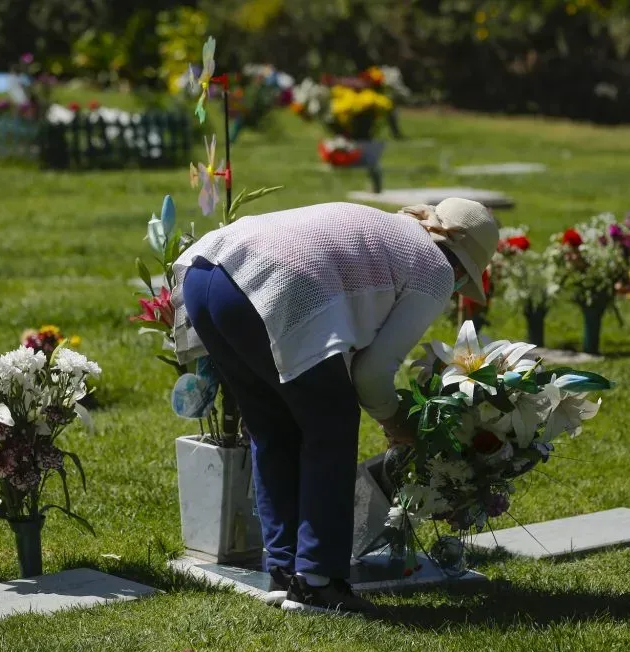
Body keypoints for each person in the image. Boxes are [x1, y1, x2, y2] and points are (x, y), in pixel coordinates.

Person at [170, 199, 498, 615]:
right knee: (332, 422)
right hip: (272, 286)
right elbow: (372, 374)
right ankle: (319, 583)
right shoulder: (433, 267)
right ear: (461, 268)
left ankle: (284, 570)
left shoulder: (390, 231)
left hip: (207, 274)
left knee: (274, 426)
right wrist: (397, 422)